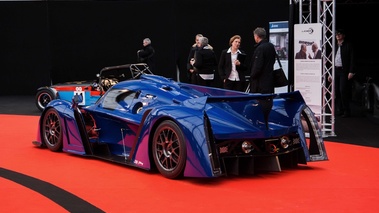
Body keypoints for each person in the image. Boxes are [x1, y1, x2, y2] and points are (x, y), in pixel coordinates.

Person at [249, 27, 276, 129]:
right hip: (269, 81)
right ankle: (266, 124)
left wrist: (252, 76)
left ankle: (259, 126)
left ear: (256, 36)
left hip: (260, 84)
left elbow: (257, 67)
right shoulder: (271, 46)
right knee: (268, 103)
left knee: (258, 106)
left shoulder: (260, 48)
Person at [328, 29, 356, 117]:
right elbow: (330, 60)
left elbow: (352, 59)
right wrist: (330, 73)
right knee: (336, 91)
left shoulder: (348, 45)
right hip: (335, 70)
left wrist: (351, 71)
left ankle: (346, 111)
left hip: (344, 70)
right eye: (336, 34)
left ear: (343, 35)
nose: (337, 35)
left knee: (343, 90)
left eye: (339, 34)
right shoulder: (334, 46)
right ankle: (339, 110)